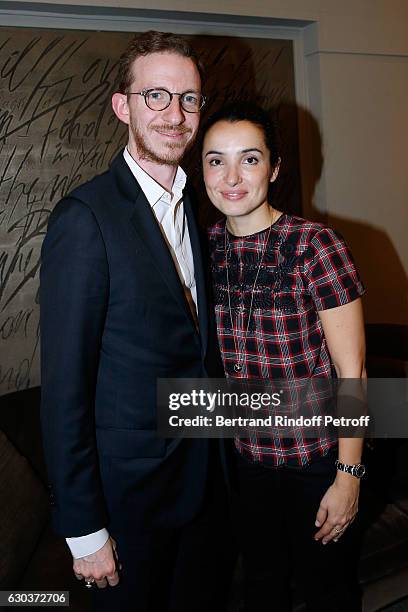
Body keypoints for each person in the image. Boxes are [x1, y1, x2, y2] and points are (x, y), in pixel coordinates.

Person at [40, 31, 232, 612]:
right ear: (123, 106)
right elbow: (65, 387)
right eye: (156, 96)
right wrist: (85, 529)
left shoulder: (198, 210)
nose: (175, 115)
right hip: (129, 505)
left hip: (204, 487)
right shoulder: (85, 218)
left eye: (190, 99)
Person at [202, 102, 366, 612]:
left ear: (273, 168)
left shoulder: (315, 245)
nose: (231, 177)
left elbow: (353, 371)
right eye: (215, 160)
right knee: (261, 588)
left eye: (249, 159)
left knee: (327, 593)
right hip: (246, 463)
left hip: (315, 460)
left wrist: (348, 476)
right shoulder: (203, 249)